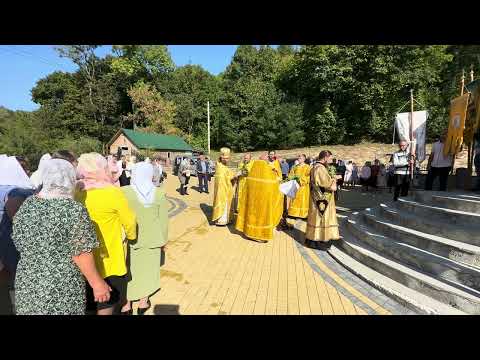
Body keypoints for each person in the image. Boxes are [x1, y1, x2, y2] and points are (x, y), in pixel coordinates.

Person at [12, 159, 111, 315]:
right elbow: (80, 252)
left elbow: (18, 239)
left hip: (28, 281)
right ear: (70, 178)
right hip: (60, 285)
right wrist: (97, 283)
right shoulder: (73, 210)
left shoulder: (28, 204)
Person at [76, 153, 137, 315]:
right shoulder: (112, 193)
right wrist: (131, 237)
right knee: (107, 302)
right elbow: (130, 222)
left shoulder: (76, 192)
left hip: (82, 260)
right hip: (110, 257)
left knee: (88, 301)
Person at [120, 162, 169, 315]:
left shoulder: (124, 191)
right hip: (153, 238)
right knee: (149, 269)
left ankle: (126, 305)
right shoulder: (159, 193)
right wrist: (164, 240)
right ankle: (143, 302)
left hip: (130, 239)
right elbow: (163, 220)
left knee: (128, 270)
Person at [0, 156, 35, 313]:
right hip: (12, 240)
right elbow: (19, 221)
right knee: (17, 278)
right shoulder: (18, 191)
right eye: (25, 169)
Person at [235, 157, 284, 242]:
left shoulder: (250, 178)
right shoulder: (268, 178)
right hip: (263, 205)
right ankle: (259, 236)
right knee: (262, 219)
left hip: (252, 204)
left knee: (252, 216)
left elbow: (245, 192)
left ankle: (249, 233)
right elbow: (277, 190)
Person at [305, 150, 340, 250]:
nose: (330, 160)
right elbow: (326, 184)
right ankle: (320, 240)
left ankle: (313, 238)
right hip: (322, 199)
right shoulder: (320, 168)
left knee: (316, 218)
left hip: (315, 198)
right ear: (325, 157)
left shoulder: (315, 166)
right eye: (329, 158)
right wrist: (335, 179)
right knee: (322, 219)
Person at [212, 148, 236, 226]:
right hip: (222, 190)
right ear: (221, 158)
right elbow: (227, 177)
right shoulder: (219, 166)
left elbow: (228, 175)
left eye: (228, 158)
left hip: (225, 189)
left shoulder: (224, 167)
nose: (227, 160)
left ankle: (226, 219)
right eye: (225, 158)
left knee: (225, 204)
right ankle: (220, 220)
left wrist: (233, 176)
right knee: (222, 203)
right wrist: (235, 176)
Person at [287, 154, 311, 219]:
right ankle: (293, 213)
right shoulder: (295, 166)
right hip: (295, 186)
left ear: (304, 159)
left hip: (303, 187)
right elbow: (290, 174)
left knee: (303, 200)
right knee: (294, 199)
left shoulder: (307, 167)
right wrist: (292, 178)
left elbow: (308, 177)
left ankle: (303, 214)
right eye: (298, 158)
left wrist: (300, 180)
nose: (298, 159)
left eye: (300, 158)